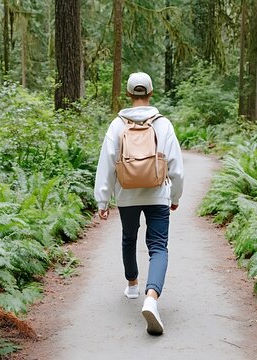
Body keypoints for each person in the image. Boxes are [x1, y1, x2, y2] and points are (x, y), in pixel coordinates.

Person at [94, 72, 184, 336]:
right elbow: (176, 167)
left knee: (129, 238)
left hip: (126, 194)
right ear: (151, 93)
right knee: (158, 247)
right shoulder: (163, 124)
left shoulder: (117, 125)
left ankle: (132, 285)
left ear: (129, 94)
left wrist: (103, 199)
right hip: (157, 193)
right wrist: (175, 196)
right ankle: (151, 297)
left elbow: (107, 164)